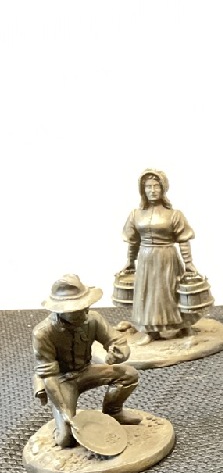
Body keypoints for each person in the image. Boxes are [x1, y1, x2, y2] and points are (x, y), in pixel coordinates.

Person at [32, 275, 140, 448]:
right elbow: (49, 376)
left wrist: (118, 354)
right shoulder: (43, 333)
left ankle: (113, 412)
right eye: (77, 310)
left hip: (86, 371)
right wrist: (64, 411)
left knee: (128, 375)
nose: (85, 313)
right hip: (62, 380)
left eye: (85, 306)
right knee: (66, 439)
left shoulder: (92, 319)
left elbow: (116, 341)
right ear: (61, 310)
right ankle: (62, 427)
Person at [120, 169, 201, 342]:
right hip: (146, 260)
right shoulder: (135, 214)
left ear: (163, 188)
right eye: (148, 187)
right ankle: (152, 332)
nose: (153, 190)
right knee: (148, 296)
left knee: (171, 293)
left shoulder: (174, 214)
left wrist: (188, 262)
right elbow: (133, 241)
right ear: (143, 190)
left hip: (167, 258)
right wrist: (130, 261)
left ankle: (184, 327)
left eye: (156, 186)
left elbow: (183, 239)